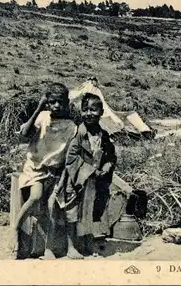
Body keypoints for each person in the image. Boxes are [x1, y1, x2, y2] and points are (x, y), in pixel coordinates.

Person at [14, 82, 78, 259]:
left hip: (55, 172)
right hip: (35, 168)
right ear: (47, 103)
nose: (56, 106)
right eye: (52, 102)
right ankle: (15, 231)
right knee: (35, 197)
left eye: (60, 102)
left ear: (67, 103)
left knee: (53, 206)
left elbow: (67, 157)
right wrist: (39, 107)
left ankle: (49, 247)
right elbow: (25, 134)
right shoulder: (42, 117)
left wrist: (61, 178)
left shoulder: (72, 126)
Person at [55, 93, 116, 259]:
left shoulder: (103, 135)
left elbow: (110, 154)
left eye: (93, 110)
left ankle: (88, 242)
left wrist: (107, 165)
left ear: (101, 112)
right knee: (72, 213)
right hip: (76, 180)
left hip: (93, 182)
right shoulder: (78, 133)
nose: (89, 113)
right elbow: (71, 158)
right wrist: (90, 170)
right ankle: (71, 247)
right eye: (85, 110)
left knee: (88, 212)